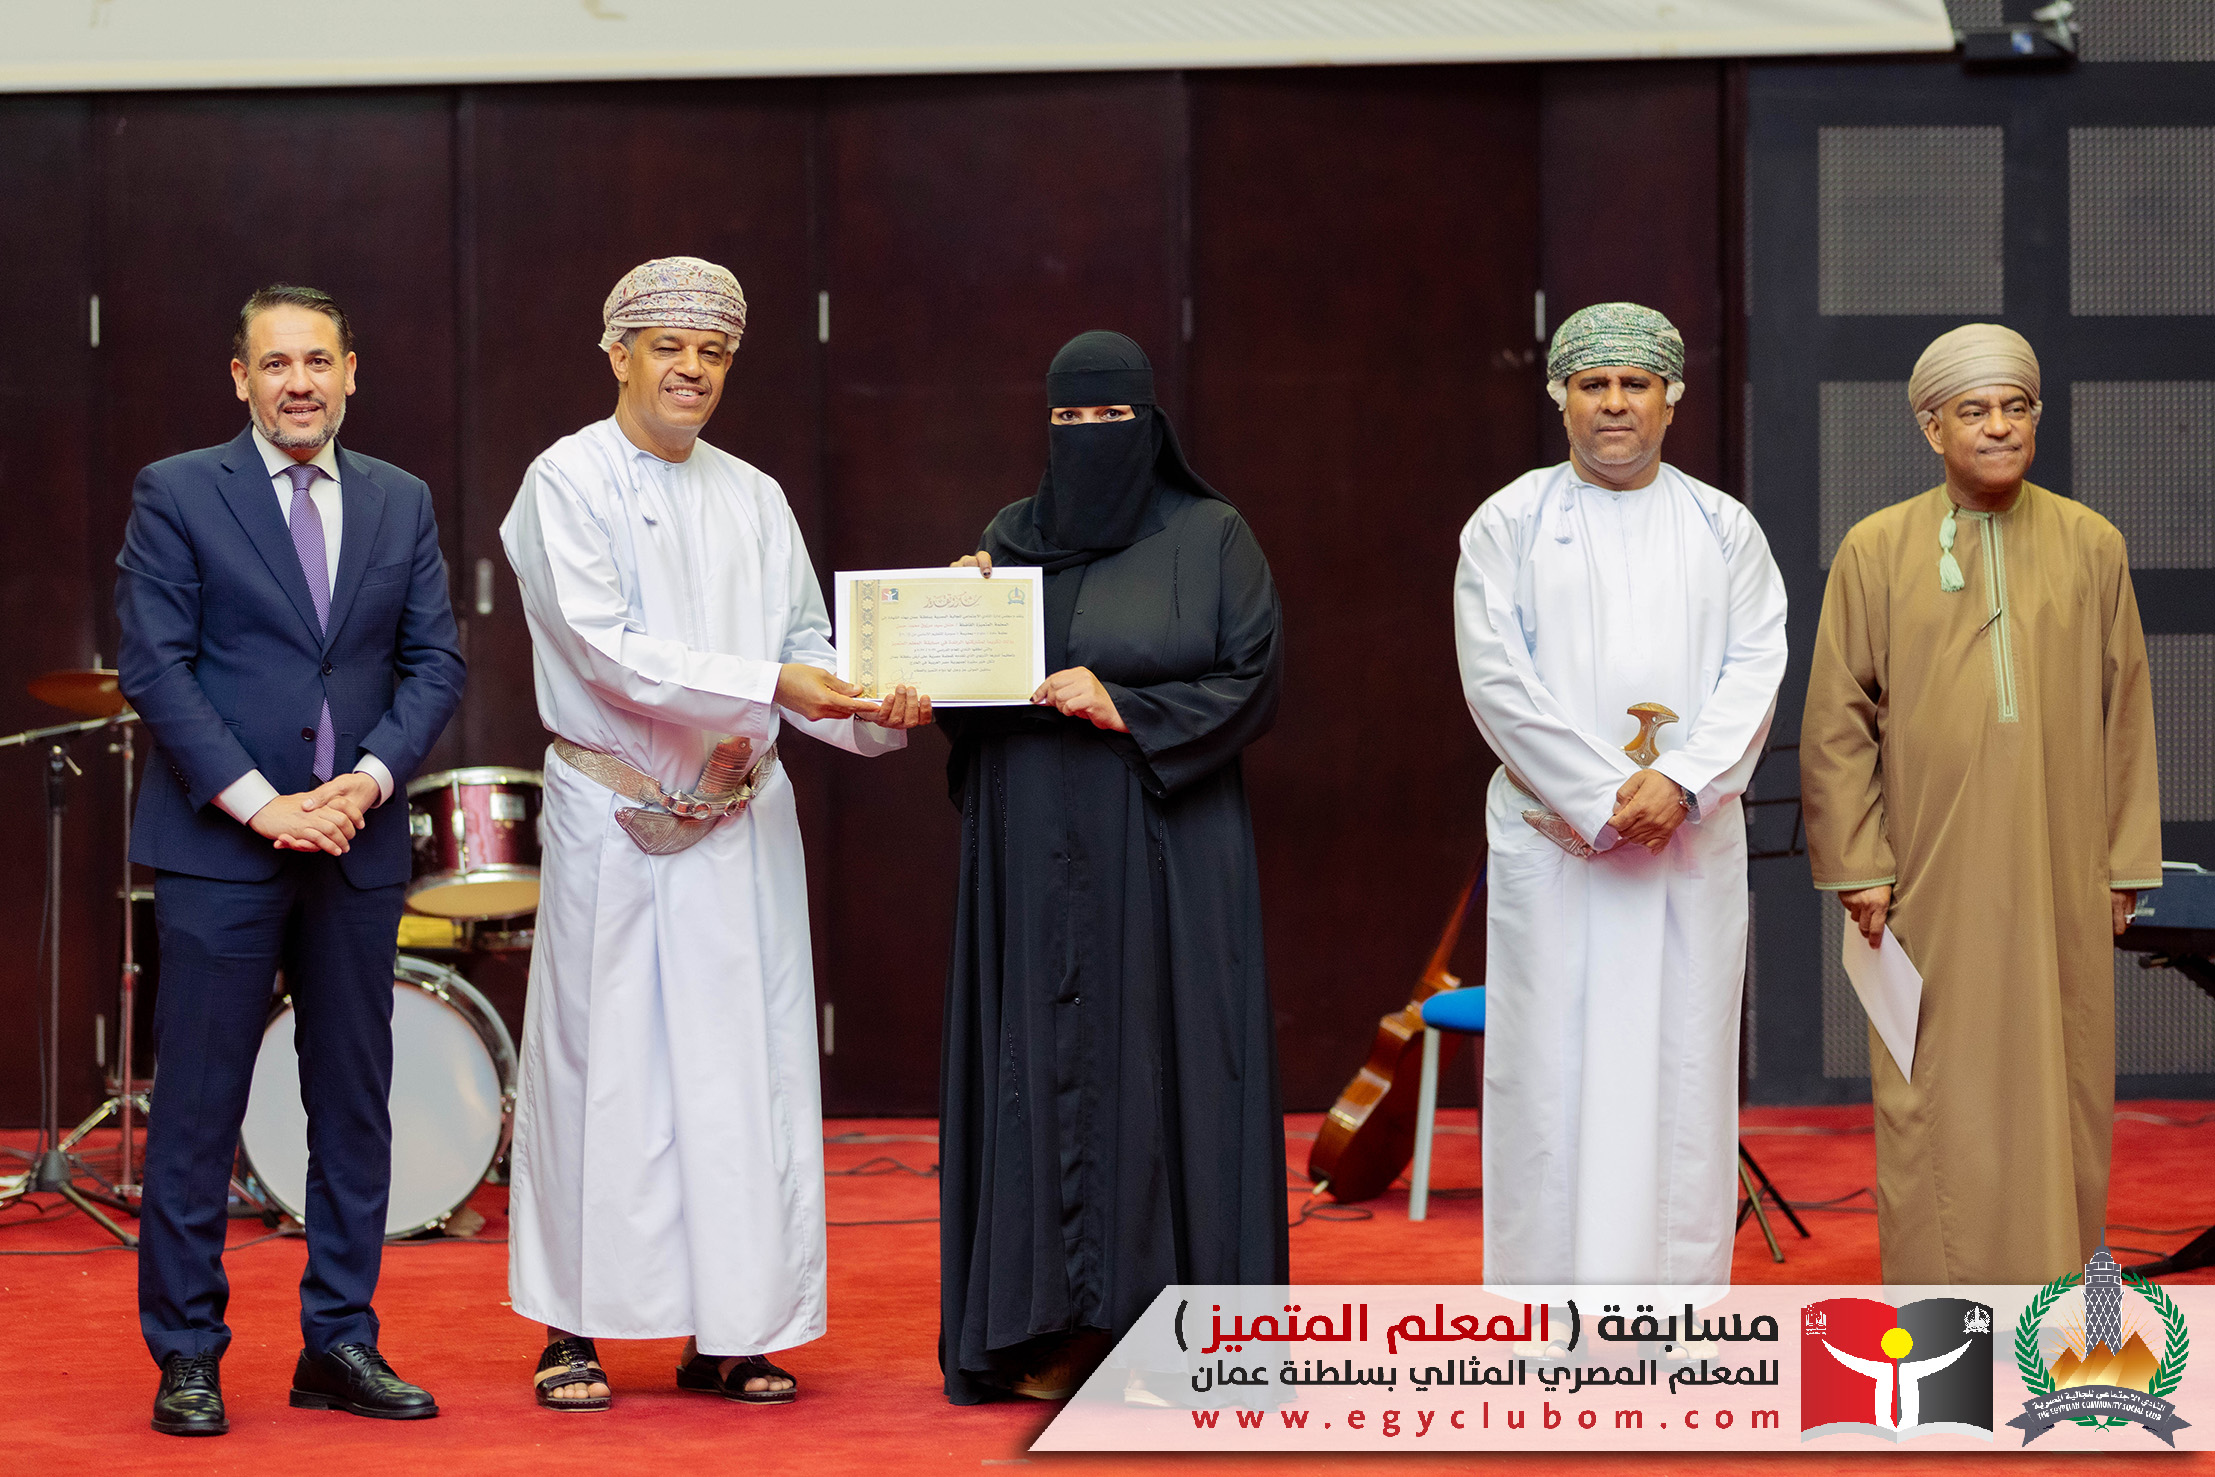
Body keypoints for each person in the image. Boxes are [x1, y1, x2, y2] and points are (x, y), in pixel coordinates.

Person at [499, 257, 929, 1412]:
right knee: (601, 1071)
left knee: (746, 1072)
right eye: (669, 347)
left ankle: (735, 1330)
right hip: (615, 814)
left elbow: (806, 648)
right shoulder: (564, 480)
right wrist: (779, 681)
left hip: (740, 819)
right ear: (617, 352)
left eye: (714, 352)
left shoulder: (755, 494)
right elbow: (604, 650)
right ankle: (572, 1329)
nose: (691, 369)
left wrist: (880, 704)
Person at [116, 284, 466, 1435]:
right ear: (241, 379)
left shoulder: (401, 499)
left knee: (353, 1103)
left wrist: (366, 780)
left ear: (352, 371)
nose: (300, 382)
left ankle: (340, 1343)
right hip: (221, 844)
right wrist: (266, 806)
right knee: (199, 1108)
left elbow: (435, 663)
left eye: (319, 360)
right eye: (276, 363)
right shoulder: (177, 491)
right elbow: (155, 666)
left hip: (356, 842)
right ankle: (187, 1353)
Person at [937, 330, 1287, 1404]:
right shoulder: (1008, 540)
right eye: (1068, 419)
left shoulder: (1211, 535)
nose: (1089, 437)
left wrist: (1123, 703)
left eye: (1109, 417)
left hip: (1165, 837)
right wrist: (948, 624)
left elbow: (1254, 678)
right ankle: (1045, 1327)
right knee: (1039, 1064)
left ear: (1150, 422)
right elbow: (965, 697)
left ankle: (1176, 1337)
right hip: (1031, 842)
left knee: (1164, 1057)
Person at [1800, 323, 2161, 1284]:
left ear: (2036, 418)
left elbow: (2124, 710)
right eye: (1973, 410)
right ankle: (1941, 1315)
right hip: (1927, 875)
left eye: (2015, 407)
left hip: (2060, 870)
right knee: (1933, 1091)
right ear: (1932, 428)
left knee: (2062, 1083)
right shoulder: (1875, 550)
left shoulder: (2091, 544)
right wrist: (1860, 865)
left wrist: (2123, 862)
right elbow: (1837, 719)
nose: (1998, 426)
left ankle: (2052, 1303)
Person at [1453, 301, 1788, 1285]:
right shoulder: (1508, 523)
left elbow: (1754, 668)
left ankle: (1673, 1317)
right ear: (1558, 397)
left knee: (1680, 1070)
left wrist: (1679, 782)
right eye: (1590, 384)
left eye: (1633, 384)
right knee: (1548, 1073)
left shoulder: (1723, 528)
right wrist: (1603, 796)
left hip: (1686, 847)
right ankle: (1546, 1318)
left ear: (1670, 400)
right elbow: (1495, 680)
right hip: (1555, 846)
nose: (1612, 403)